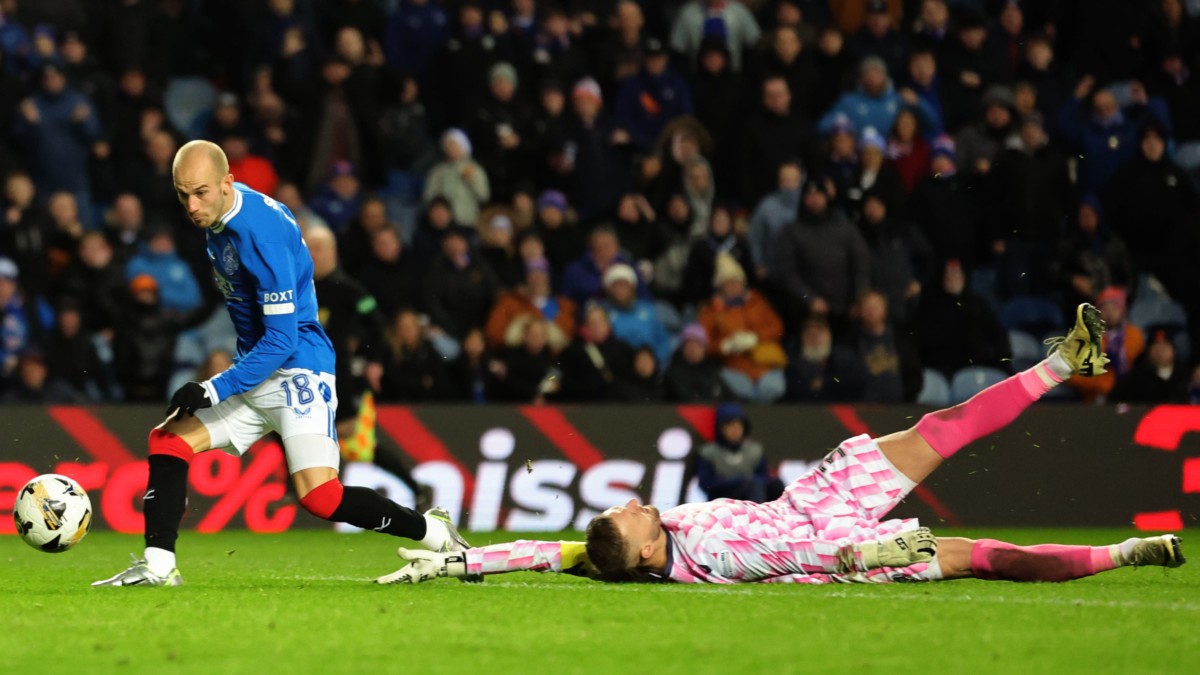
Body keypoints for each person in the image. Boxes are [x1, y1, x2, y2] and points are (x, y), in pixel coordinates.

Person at [381, 304, 1185, 586]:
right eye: (633, 513)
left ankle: (1061, 361)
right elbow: (804, 561)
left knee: (940, 428)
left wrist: (459, 560)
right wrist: (875, 554)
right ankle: (1124, 555)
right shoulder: (721, 558)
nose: (632, 500)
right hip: (839, 543)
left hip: (812, 497)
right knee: (990, 557)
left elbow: (533, 550)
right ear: (653, 544)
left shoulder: (613, 553)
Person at [94, 141, 466, 588]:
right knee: (169, 442)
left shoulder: (261, 234)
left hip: (296, 370)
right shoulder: (222, 214)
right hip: (256, 367)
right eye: (183, 195)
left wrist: (212, 389)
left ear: (228, 182)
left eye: (201, 193)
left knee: (322, 498)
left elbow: (283, 339)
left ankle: (434, 530)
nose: (192, 206)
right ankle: (157, 566)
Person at [695, 403, 784, 503]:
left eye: (738, 426)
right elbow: (706, 484)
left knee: (775, 484)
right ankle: (752, 516)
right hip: (721, 499)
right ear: (720, 428)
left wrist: (750, 482)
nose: (735, 430)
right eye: (730, 426)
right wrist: (739, 483)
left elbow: (764, 476)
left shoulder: (755, 450)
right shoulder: (708, 453)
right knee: (751, 485)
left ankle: (780, 515)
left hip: (754, 493)